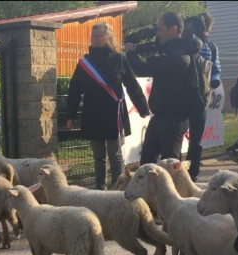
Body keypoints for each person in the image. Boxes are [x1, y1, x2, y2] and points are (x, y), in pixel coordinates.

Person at [66, 22, 149, 190]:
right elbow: (74, 89)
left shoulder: (119, 59)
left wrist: (142, 107)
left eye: (97, 36)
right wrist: (70, 115)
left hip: (113, 115)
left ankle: (117, 189)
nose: (94, 39)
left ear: (107, 38)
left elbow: (131, 85)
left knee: (115, 155)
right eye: (92, 36)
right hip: (92, 113)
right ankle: (99, 189)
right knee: (98, 156)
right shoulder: (85, 62)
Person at [125, 11, 202, 165]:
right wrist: (152, 59)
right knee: (147, 163)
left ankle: (175, 189)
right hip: (161, 116)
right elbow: (161, 71)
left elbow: (143, 70)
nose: (157, 34)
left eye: (160, 29)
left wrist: (131, 53)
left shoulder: (176, 53)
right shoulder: (172, 50)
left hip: (173, 119)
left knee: (170, 166)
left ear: (173, 29)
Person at [184, 12, 220, 182]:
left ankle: (192, 173)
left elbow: (216, 69)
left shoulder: (211, 47)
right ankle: (187, 173)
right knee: (188, 136)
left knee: (195, 138)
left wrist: (214, 81)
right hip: (189, 94)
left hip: (201, 96)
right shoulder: (187, 43)